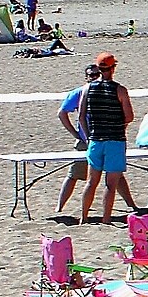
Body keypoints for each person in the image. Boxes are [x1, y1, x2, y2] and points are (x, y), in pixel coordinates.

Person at [75, 53, 136, 225]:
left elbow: (81, 116)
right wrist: (119, 125)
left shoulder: (87, 88)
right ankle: (106, 219)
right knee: (111, 183)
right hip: (115, 140)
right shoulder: (120, 90)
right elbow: (129, 116)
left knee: (91, 182)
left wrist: (88, 137)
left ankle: (84, 217)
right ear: (113, 68)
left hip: (96, 140)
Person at [54, 65, 98, 213]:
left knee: (115, 176)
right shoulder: (79, 93)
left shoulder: (108, 90)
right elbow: (62, 113)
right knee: (73, 175)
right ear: (86, 77)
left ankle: (132, 205)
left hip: (105, 140)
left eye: (97, 74)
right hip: (85, 142)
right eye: (91, 75)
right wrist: (75, 134)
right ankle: (59, 207)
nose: (94, 77)